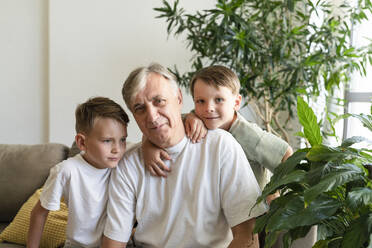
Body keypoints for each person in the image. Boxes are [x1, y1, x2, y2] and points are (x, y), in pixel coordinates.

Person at [102, 63, 268, 248]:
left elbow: (247, 238)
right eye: (140, 108)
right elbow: (113, 243)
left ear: (179, 98)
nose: (152, 116)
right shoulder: (128, 164)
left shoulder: (221, 146)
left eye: (159, 101)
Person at [144, 65, 293, 202]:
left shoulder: (249, 135)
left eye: (219, 100)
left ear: (236, 102)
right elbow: (160, 127)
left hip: (251, 213)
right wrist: (147, 147)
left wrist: (273, 193)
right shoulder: (195, 122)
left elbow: (286, 155)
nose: (209, 108)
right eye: (201, 101)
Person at [27, 97, 129, 248]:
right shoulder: (66, 171)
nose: (117, 149)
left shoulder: (125, 162)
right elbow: (39, 213)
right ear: (82, 142)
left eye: (122, 140)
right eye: (107, 140)